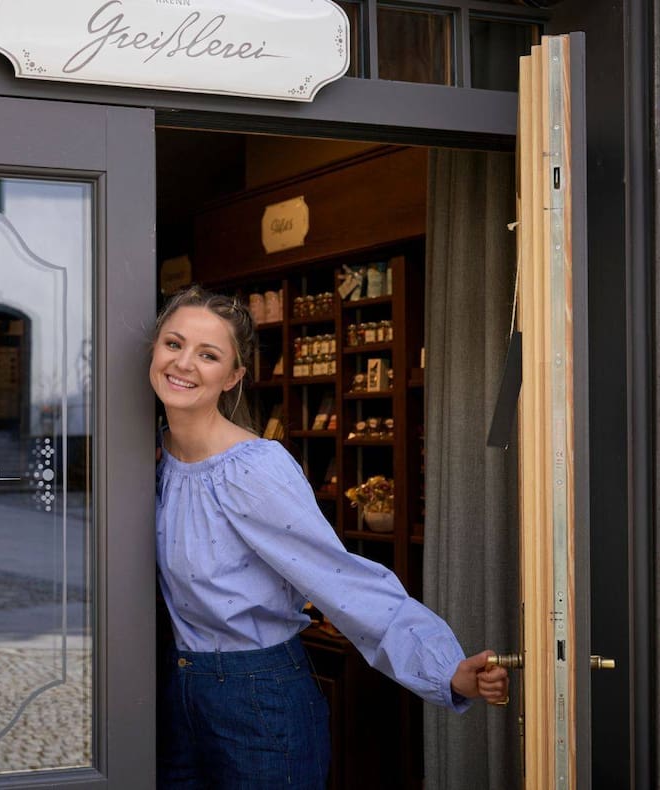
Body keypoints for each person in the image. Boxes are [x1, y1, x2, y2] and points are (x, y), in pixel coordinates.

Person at [152, 285, 509, 789]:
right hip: (177, 692)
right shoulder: (151, 456)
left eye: (208, 354)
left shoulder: (253, 469)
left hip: (259, 701)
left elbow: (340, 579)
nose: (184, 362)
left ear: (233, 376)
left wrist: (444, 667)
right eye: (174, 344)